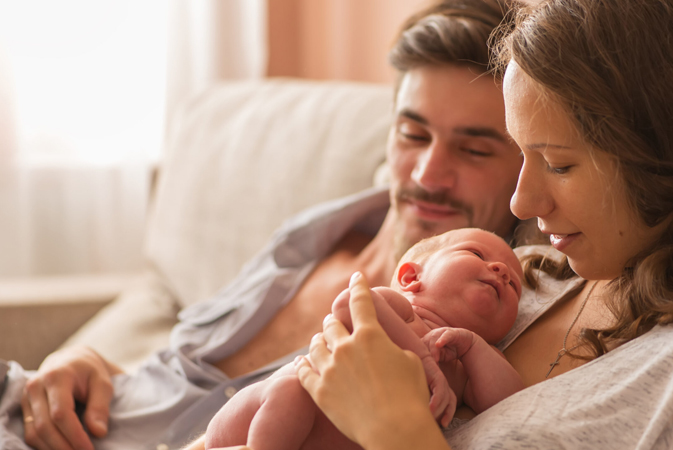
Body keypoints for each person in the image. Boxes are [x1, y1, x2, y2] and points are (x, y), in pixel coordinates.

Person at [0, 1, 527, 449]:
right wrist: (85, 359)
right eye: (413, 135)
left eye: (474, 149)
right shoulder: (314, 233)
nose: (428, 173)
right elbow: (184, 363)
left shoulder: (480, 313)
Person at [294, 0, 673, 449]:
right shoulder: (532, 279)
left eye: (558, 164)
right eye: (523, 156)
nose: (520, 204)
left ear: (655, 162)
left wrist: (395, 430)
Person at [205, 228, 524, 450]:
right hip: (261, 414)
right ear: (411, 278)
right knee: (293, 393)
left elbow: (514, 405)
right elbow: (348, 304)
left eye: (514, 287)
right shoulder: (402, 310)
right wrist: (424, 361)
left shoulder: (466, 365)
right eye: (475, 253)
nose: (501, 271)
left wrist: (474, 345)